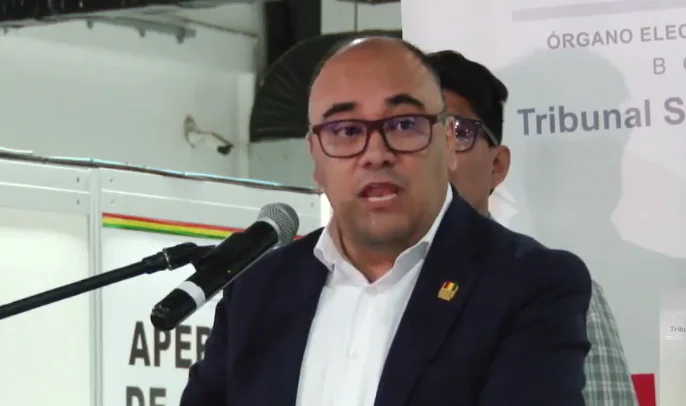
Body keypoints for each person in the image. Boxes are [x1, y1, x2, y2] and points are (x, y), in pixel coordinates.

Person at [180, 35, 592, 406]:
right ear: (316, 158)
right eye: (346, 131)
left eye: (404, 124)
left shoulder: (528, 283)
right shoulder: (258, 291)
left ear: (449, 141)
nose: (376, 153)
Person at [427, 49, 639, 406]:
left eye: (457, 132)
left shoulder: (555, 288)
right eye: (410, 131)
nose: (432, 156)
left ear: (497, 166)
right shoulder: (345, 283)